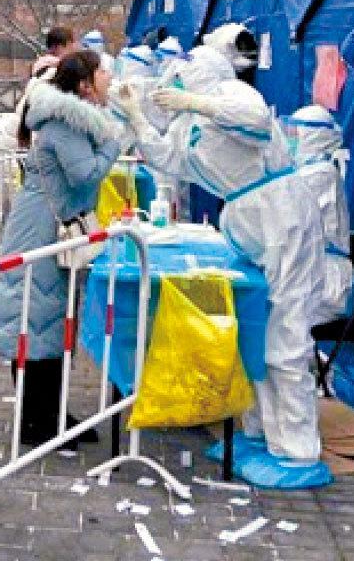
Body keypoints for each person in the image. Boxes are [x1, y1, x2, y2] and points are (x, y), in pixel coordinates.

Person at [112, 52, 335, 490]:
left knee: (284, 335)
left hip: (280, 214)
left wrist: (197, 103)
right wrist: (137, 116)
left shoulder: (230, 93)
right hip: (249, 218)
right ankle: (256, 431)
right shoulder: (186, 122)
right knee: (254, 326)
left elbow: (253, 120)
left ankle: (296, 449)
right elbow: (169, 159)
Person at [0, 50, 122, 447]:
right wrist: (114, 142)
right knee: (34, 320)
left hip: (52, 224)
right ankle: (36, 422)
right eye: (102, 72)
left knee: (54, 321)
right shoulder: (64, 123)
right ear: (83, 83)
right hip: (40, 229)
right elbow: (85, 173)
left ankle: (54, 412)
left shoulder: (71, 120)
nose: (109, 78)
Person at [287, 104, 354, 405]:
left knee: (279, 315)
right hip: (314, 271)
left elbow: (294, 223)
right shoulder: (307, 172)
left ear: (314, 137)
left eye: (298, 132)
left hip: (326, 282)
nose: (292, 139)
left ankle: (310, 389)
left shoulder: (320, 175)